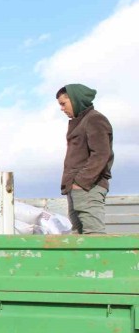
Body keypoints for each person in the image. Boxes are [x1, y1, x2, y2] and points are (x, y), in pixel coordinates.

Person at [56, 84, 114, 234]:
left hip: (89, 186)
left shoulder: (94, 119)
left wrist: (81, 182)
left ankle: (101, 259)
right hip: (77, 187)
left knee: (93, 235)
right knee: (79, 237)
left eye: (63, 104)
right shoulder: (80, 121)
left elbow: (101, 154)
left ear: (75, 99)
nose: (62, 108)